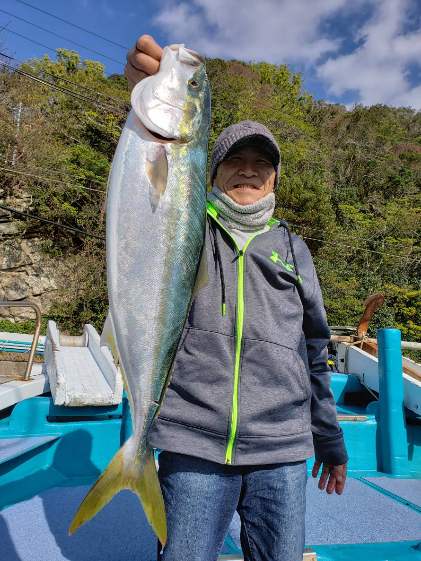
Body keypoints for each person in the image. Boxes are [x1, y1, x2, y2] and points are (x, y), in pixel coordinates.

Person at [125, 35, 348, 561]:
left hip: (283, 450)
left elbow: (314, 351)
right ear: (212, 168)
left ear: (274, 178)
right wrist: (145, 97)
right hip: (192, 444)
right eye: (235, 159)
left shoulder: (295, 248)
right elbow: (148, 195)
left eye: (261, 163)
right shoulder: (186, 229)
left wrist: (329, 440)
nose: (249, 169)